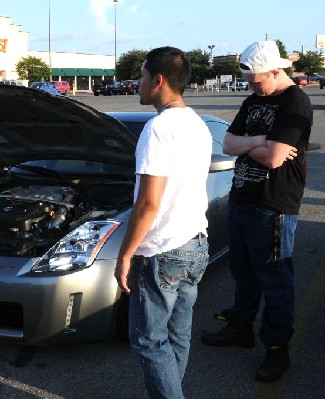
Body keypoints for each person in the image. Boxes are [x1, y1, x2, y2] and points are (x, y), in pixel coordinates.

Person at [200, 40, 313, 383]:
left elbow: (277, 159)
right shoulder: (254, 100)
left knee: (275, 281)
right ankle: (240, 327)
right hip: (242, 198)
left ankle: (277, 350)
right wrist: (261, 142)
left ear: (277, 71)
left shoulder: (296, 102)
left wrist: (258, 145)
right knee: (243, 272)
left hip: (273, 204)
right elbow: (229, 144)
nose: (251, 86)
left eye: (256, 79)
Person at [114, 46, 212, 399]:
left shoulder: (158, 128)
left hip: (162, 251)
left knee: (148, 341)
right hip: (195, 243)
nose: (136, 82)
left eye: (140, 76)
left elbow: (149, 202)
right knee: (176, 335)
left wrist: (125, 255)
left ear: (157, 81)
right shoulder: (197, 124)